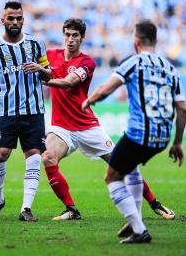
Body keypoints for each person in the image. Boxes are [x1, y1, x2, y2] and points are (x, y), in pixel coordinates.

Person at [42, 18, 176, 222]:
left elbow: (69, 83)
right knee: (48, 157)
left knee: (124, 165)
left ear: (82, 38)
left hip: (87, 126)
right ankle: (71, 209)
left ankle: (155, 203)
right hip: (61, 127)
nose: (70, 39)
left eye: (75, 35)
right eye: (67, 35)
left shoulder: (87, 62)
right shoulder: (50, 55)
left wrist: (42, 76)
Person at [81, 19, 186, 244]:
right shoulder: (170, 68)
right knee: (131, 169)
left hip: (140, 134)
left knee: (111, 176)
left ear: (136, 41)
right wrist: (177, 143)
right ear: (156, 41)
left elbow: (106, 89)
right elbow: (182, 109)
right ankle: (135, 222)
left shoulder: (134, 62)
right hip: (162, 138)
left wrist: (89, 100)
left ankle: (139, 229)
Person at [0, 1, 51, 222]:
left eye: (19, 18)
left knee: (34, 156)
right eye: (11, 18)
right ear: (3, 20)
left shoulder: (36, 45)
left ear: (23, 20)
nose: (15, 22)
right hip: (6, 112)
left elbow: (50, 76)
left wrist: (40, 69)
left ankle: (26, 209)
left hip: (34, 111)